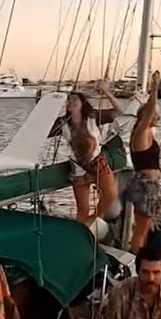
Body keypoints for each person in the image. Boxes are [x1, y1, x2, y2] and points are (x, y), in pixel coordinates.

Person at [48, 80, 123, 226]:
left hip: (97, 162)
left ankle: (92, 222)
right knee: (82, 209)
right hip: (78, 167)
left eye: (75, 99)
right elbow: (42, 131)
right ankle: (82, 232)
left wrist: (106, 92)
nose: (71, 101)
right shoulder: (63, 123)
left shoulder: (92, 117)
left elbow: (118, 111)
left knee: (110, 196)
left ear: (82, 104)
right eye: (69, 99)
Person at [125, 71, 161, 253]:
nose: (158, 117)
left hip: (146, 184)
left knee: (144, 228)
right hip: (146, 185)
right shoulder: (141, 132)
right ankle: (136, 261)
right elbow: (148, 112)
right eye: (155, 115)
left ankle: (140, 257)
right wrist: (154, 89)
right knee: (141, 230)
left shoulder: (143, 133)